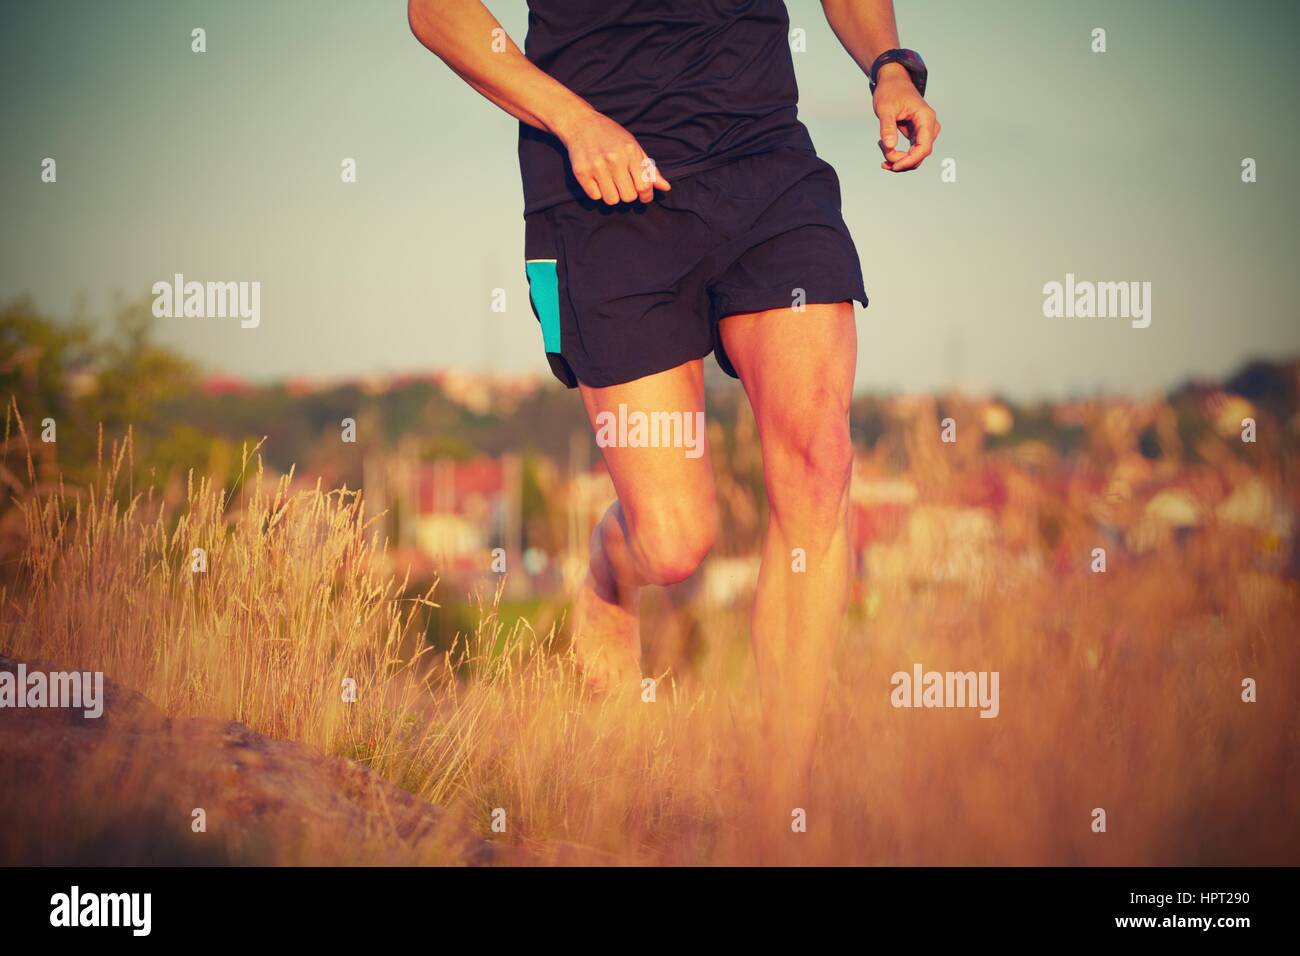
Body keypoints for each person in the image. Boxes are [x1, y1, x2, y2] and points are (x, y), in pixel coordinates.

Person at [409, 0, 940, 795]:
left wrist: (890, 65)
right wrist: (573, 122)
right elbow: (435, 11)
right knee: (676, 541)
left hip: (764, 168)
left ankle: (778, 810)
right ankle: (612, 568)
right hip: (600, 185)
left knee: (820, 459)